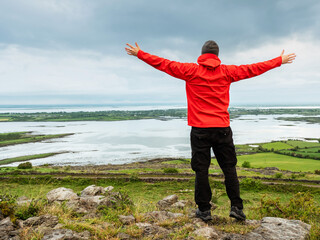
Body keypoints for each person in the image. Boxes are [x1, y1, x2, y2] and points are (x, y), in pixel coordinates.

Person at [125, 41, 296, 221]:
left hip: (200, 130)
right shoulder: (227, 72)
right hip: (222, 128)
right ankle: (237, 208)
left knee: (201, 170)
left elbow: (164, 64)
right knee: (229, 168)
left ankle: (204, 210)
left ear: (202, 54)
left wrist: (140, 53)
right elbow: (254, 68)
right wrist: (279, 60)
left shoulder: (191, 71)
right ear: (217, 55)